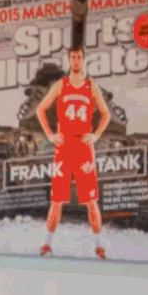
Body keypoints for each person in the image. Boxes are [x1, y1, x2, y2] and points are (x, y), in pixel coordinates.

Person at [39, 44, 109, 259]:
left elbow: (105, 114)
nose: (76, 61)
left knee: (91, 200)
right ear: (69, 60)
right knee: (56, 200)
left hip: (83, 147)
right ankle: (47, 244)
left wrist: (95, 135)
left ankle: (99, 246)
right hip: (63, 146)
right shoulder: (61, 85)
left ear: (83, 59)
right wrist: (50, 135)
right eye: (73, 57)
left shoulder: (90, 86)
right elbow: (41, 109)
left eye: (79, 57)